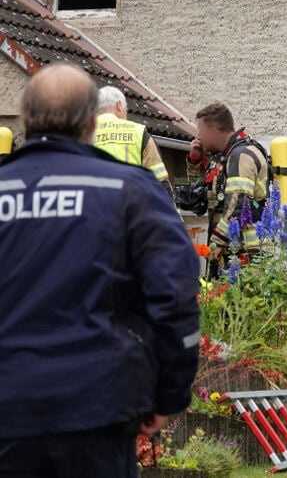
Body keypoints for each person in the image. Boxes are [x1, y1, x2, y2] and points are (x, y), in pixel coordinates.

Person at [0, 64, 200, 477]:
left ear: (26, 119)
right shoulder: (131, 191)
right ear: (92, 121)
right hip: (98, 409)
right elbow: (176, 299)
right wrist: (168, 396)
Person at [186, 102, 269, 276]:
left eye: (201, 131)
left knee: (241, 302)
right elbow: (198, 197)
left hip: (245, 250)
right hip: (230, 247)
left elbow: (237, 203)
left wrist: (217, 243)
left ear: (214, 129)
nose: (198, 137)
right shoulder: (223, 158)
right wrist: (195, 161)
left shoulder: (241, 155)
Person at [94, 86, 174, 198]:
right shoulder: (138, 133)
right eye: (126, 111)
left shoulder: (78, 134)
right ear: (119, 106)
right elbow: (159, 184)